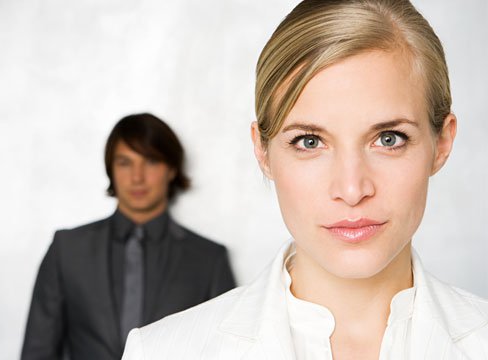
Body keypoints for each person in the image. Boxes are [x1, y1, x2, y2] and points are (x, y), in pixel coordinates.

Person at [122, 1, 488, 359]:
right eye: (309, 142)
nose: (351, 190)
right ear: (262, 151)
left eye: (388, 138)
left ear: (442, 143)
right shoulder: (160, 351)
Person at [21, 113, 236, 360]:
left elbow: (227, 354)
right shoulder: (67, 250)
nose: (137, 177)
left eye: (151, 161)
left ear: (172, 169)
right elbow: (37, 353)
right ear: (110, 169)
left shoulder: (208, 260)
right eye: (125, 163)